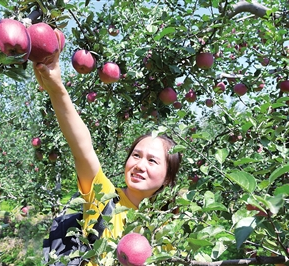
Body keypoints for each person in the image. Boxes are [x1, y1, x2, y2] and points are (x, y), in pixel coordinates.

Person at [34, 32, 182, 257]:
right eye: (136, 155)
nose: (140, 165)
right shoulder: (104, 199)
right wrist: (57, 89)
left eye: (152, 160)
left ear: (168, 177)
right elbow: (81, 147)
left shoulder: (165, 233)